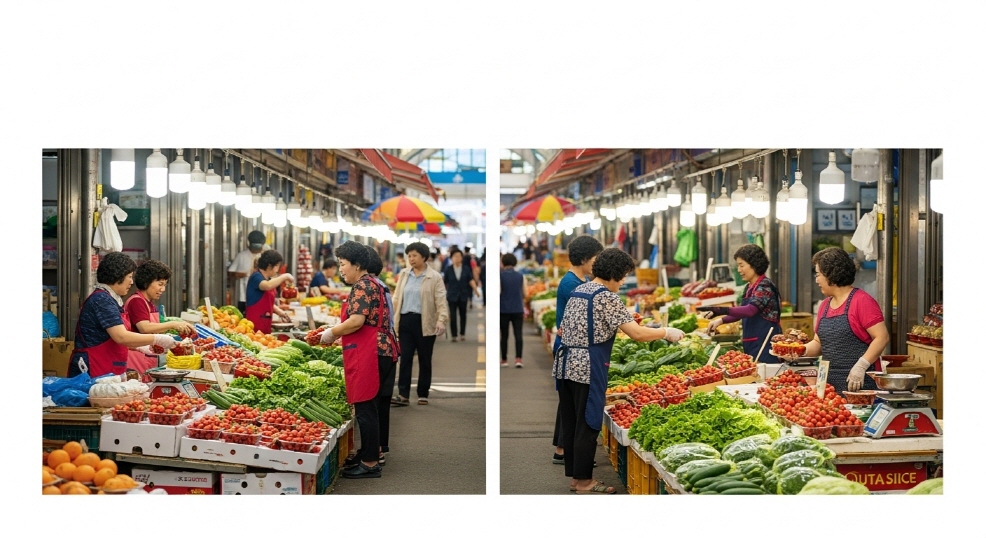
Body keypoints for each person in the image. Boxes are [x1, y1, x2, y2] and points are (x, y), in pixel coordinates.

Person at [553, 248, 685, 494]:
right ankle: (584, 482)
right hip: (587, 366)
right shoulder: (606, 297)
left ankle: (576, 477)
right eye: (623, 276)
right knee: (588, 422)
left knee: (572, 421)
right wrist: (665, 332)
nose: (623, 281)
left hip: (566, 364)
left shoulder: (580, 290)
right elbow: (637, 334)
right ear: (613, 273)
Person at [320, 241, 399, 478]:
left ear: (357, 265)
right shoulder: (373, 283)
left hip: (372, 352)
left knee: (366, 406)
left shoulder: (363, 286)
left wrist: (332, 332)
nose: (341, 269)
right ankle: (369, 454)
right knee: (370, 406)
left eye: (343, 264)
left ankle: (370, 463)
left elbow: (357, 321)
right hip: (381, 350)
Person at [67, 252, 178, 378]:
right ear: (118, 275)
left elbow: (113, 338)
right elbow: (121, 336)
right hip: (91, 368)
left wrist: (140, 347)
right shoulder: (101, 300)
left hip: (107, 367)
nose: (131, 282)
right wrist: (158, 339)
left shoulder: (110, 299)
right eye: (129, 277)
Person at [801, 247, 890, 395]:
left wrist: (861, 366)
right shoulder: (824, 305)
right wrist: (798, 351)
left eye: (818, 275)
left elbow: (882, 337)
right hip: (829, 385)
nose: (816, 280)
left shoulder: (862, 301)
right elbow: (818, 343)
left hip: (858, 384)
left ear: (831, 274)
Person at [551, 234, 604, 464]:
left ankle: (563, 449)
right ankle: (567, 451)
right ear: (584, 259)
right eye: (595, 258)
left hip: (569, 346)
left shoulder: (578, 280)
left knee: (569, 403)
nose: (597, 263)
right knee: (572, 404)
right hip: (570, 348)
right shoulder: (572, 283)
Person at [699, 244, 784, 363]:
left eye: (741, 265)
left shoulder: (765, 286)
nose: (739, 270)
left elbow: (750, 310)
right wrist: (720, 320)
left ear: (754, 264)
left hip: (766, 345)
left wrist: (720, 310)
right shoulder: (749, 287)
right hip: (752, 343)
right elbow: (741, 311)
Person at [391, 242, 449, 406]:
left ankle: (423, 393)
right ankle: (403, 394)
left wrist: (441, 319)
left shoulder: (434, 277)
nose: (411, 259)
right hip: (405, 322)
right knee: (405, 358)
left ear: (424, 257)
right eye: (409, 256)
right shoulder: (403, 274)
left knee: (425, 359)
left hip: (425, 321)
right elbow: (396, 298)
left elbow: (440, 300)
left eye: (414, 255)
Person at [123, 260, 196, 378]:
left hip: (147, 359)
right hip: (136, 361)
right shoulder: (137, 301)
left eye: (165, 285)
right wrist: (172, 324)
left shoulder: (148, 303)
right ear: (147, 282)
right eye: (160, 284)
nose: (163, 289)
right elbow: (144, 328)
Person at [245, 250, 295, 334]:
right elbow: (267, 286)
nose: (277, 269)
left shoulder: (267, 279)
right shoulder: (256, 277)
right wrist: (285, 276)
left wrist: (280, 312)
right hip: (254, 324)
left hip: (265, 322)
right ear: (269, 266)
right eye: (277, 266)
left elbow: (268, 302)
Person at [443, 249, 481, 342]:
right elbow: (444, 283)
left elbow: (470, 280)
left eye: (459, 256)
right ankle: (454, 335)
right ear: (451, 258)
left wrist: (476, 290)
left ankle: (462, 333)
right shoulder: (448, 269)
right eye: (455, 256)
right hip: (451, 295)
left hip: (463, 295)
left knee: (463, 315)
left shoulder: (466, 268)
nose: (457, 258)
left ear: (462, 258)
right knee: (453, 316)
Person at [228, 230, 267, 313]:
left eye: (259, 248)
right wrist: (244, 274)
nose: (257, 250)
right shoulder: (241, 256)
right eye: (255, 247)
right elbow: (231, 273)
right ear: (249, 244)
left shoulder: (264, 256)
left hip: (260, 296)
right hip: (243, 297)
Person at [499, 253, 527, 368]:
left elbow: (499, 292)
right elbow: (525, 293)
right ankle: (518, 359)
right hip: (517, 308)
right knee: (518, 334)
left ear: (503, 263)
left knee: (504, 335)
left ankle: (504, 359)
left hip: (503, 309)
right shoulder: (521, 276)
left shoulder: (500, 276)